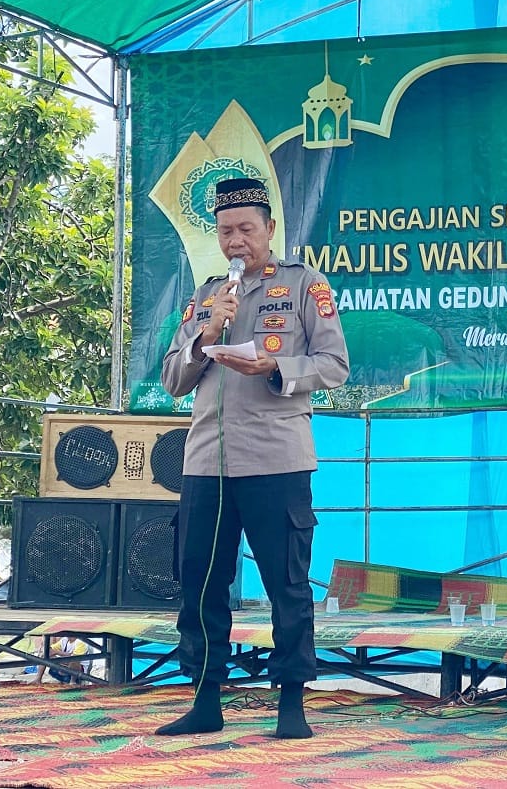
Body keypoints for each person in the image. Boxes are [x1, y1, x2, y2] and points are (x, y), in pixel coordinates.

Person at [157, 176, 350, 740]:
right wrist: (207, 333)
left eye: (246, 229)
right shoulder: (206, 295)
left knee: (286, 584)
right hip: (207, 462)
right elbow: (173, 379)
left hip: (276, 458)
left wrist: (274, 368)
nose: (236, 241)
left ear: (270, 228)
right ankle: (205, 700)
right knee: (201, 582)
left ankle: (291, 703)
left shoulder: (304, 284)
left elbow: (335, 365)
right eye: (225, 232)